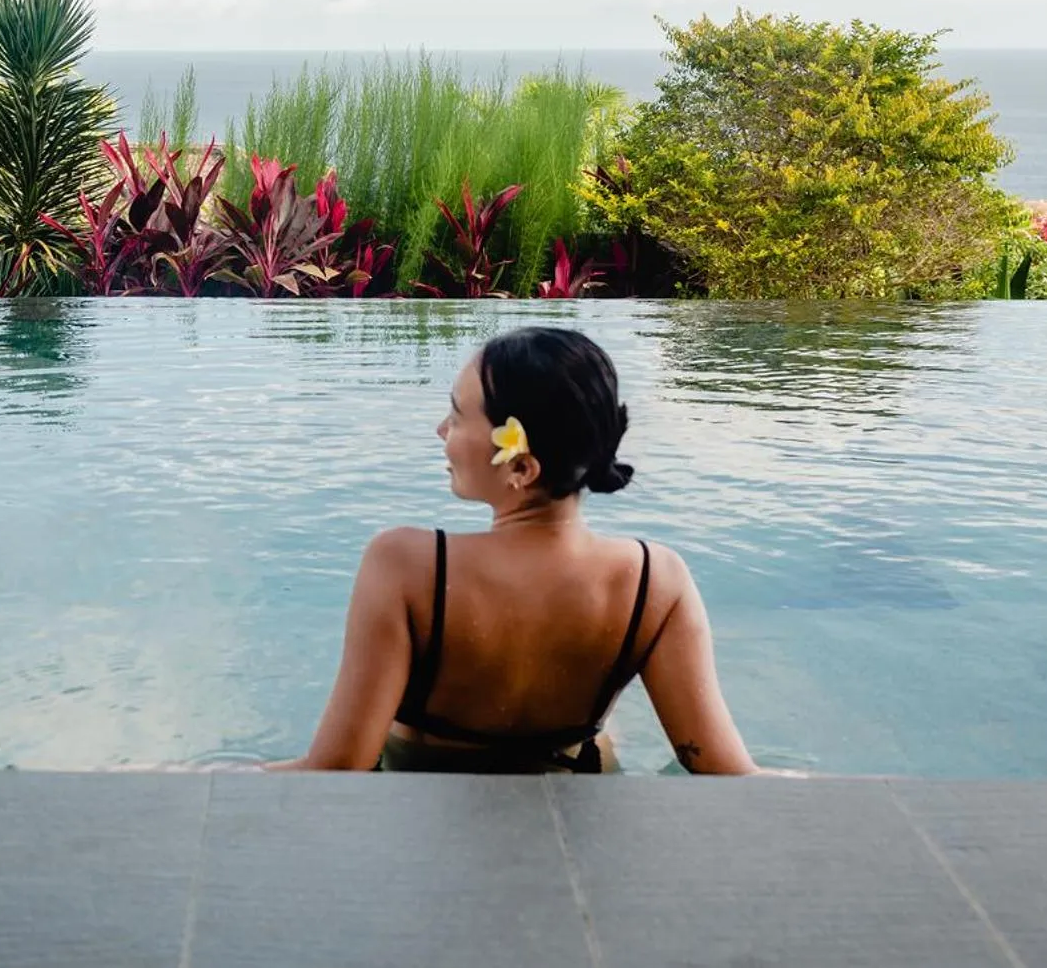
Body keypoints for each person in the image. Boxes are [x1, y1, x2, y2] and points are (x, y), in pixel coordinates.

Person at [272, 327, 758, 774]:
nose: (441, 430)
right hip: (579, 801)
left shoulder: (405, 565)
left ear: (521, 468)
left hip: (429, 817)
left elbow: (337, 768)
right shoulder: (656, 579)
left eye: (458, 417)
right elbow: (721, 769)